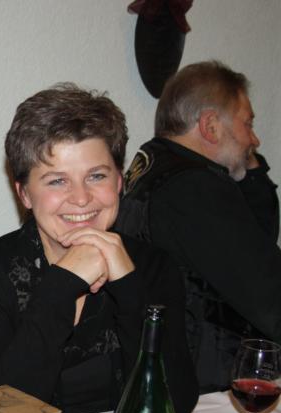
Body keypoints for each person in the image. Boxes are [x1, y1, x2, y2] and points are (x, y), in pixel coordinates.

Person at [0, 84, 198, 413]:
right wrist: (63, 284)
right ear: (24, 194)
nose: (81, 199)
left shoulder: (154, 266)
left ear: (119, 182)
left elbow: (172, 411)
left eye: (96, 176)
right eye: (57, 181)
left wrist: (129, 287)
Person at [115, 60, 281, 393]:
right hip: (206, 386)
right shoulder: (195, 189)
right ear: (210, 126)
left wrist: (251, 169)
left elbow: (256, 237)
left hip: (165, 375)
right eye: (247, 123)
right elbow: (266, 290)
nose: (254, 139)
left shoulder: (151, 173)